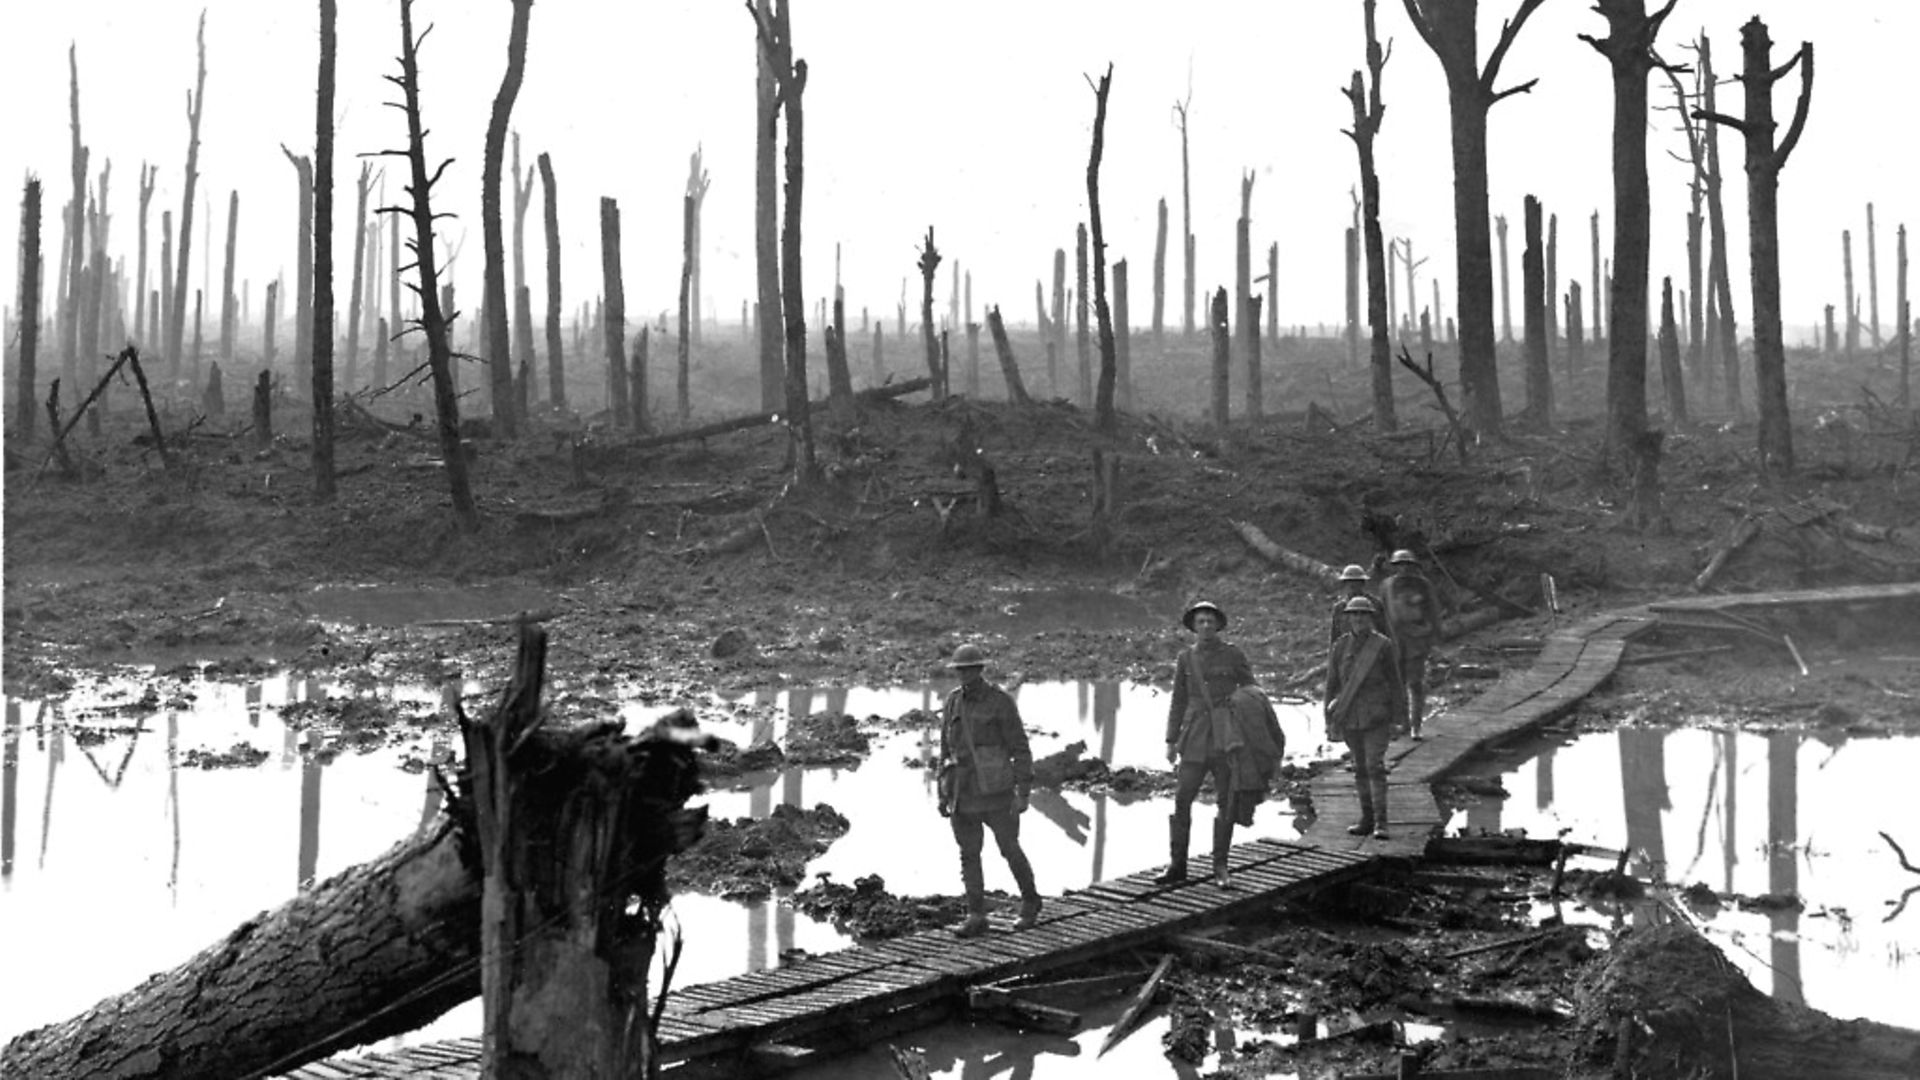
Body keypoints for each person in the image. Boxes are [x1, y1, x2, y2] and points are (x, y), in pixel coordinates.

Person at [938, 643, 1041, 937]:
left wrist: (1023, 792)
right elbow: (945, 750)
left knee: (1009, 848)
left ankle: (1031, 902)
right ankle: (976, 915)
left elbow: (1020, 748)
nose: (964, 675)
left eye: (969, 669)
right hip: (962, 791)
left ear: (980, 670)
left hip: (996, 792)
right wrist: (941, 792)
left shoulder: (1000, 702)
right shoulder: (953, 701)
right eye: (960, 670)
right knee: (968, 854)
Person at [1160, 600, 1258, 887]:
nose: (1205, 626)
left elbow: (1253, 692)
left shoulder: (1233, 654)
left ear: (1218, 626)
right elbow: (1177, 700)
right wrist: (1170, 739)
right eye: (1200, 622)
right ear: (1193, 627)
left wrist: (1245, 726)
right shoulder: (1185, 659)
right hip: (1193, 737)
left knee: (1226, 800)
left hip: (1225, 736)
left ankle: (1221, 867)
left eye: (1210, 622)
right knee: (1182, 799)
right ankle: (1177, 866)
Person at [1325, 596, 1408, 839]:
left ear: (1371, 618)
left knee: (1374, 766)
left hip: (1376, 715)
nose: (1359, 619)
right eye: (1354, 614)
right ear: (1348, 618)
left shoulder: (1383, 646)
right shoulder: (1339, 647)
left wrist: (1398, 718)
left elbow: (1395, 682)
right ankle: (1366, 819)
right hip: (1349, 715)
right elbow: (1331, 685)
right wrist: (1329, 720)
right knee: (1360, 768)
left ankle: (1382, 823)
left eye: (1363, 614)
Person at [1380, 548, 1445, 739]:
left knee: (1415, 682)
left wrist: (1435, 636)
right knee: (1395, 683)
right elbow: (1381, 612)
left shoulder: (1423, 585)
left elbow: (1433, 609)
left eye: (1407, 565)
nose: (1404, 570)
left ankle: (1416, 725)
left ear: (1413, 566)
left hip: (1417, 637)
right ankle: (1402, 723)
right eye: (1400, 566)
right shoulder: (1387, 586)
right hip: (1394, 639)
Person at [1329, 563, 1388, 642]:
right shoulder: (1340, 607)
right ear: (1345, 583)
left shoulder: (1375, 604)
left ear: (1363, 583)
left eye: (1356, 581)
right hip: (1347, 649)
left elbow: (1384, 630)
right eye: (1349, 581)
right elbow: (1335, 636)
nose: (1352, 585)